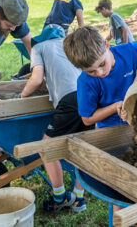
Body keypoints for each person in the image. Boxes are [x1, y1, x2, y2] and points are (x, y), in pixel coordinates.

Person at [20, 24, 95, 212]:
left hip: (69, 100)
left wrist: (21, 96)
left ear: (43, 38)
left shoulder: (39, 47)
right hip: (89, 96)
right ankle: (79, 198)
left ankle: (60, 197)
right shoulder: (70, 45)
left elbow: (36, 79)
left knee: (46, 148)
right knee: (84, 148)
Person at [63, 26, 137, 129]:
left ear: (106, 45)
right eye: (91, 71)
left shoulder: (129, 52)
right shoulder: (85, 82)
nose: (100, 73)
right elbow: (87, 119)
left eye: (102, 64)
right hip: (109, 128)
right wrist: (115, 107)